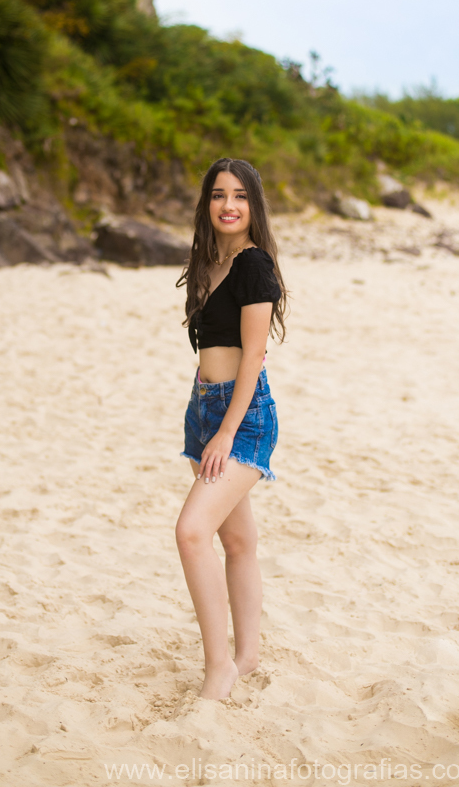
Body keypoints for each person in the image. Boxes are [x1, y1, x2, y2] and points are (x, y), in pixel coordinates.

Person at [175, 157, 288, 700]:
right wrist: (206, 419)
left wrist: (225, 432)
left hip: (242, 419)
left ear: (253, 205)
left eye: (240, 196)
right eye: (219, 194)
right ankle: (246, 656)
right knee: (237, 540)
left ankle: (218, 666)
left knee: (191, 531)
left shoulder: (254, 264)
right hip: (203, 409)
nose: (229, 205)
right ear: (207, 203)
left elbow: (254, 357)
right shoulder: (208, 262)